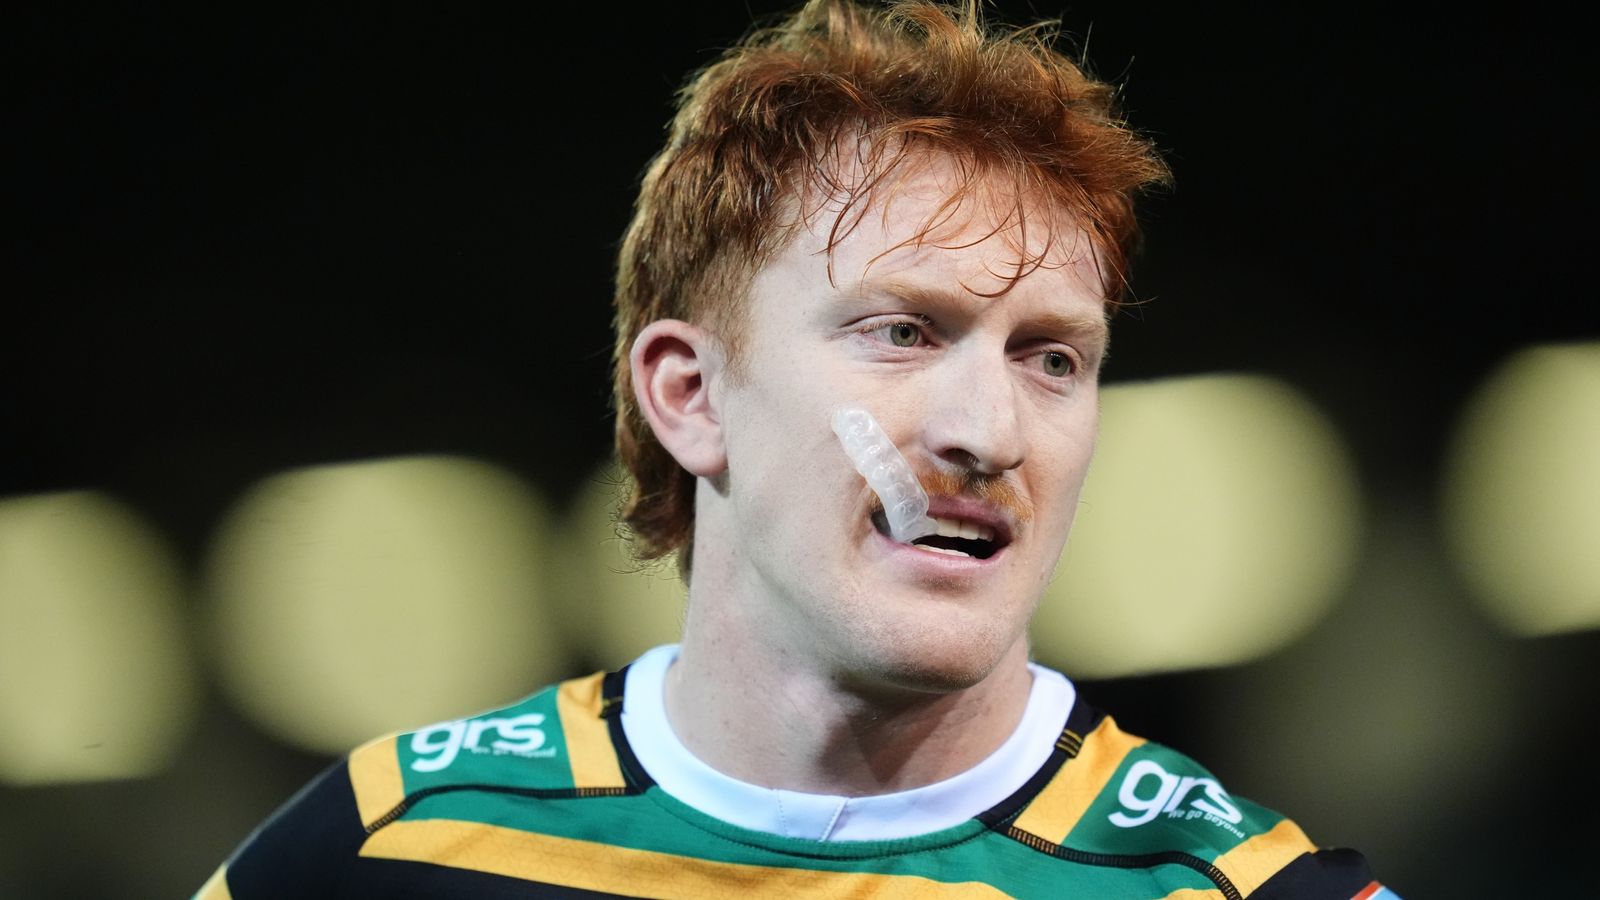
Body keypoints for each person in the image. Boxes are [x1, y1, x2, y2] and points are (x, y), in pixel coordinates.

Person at [196, 1, 1396, 897]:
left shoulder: (1241, 891)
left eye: (1050, 359)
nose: (988, 433)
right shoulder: (386, 850)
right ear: (690, 396)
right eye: (901, 332)